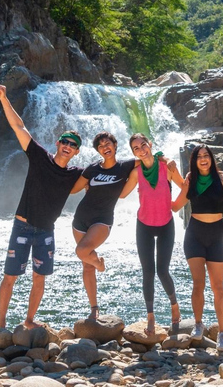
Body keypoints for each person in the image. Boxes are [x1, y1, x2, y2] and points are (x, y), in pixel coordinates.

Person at [0, 85, 88, 329]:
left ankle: (28, 321)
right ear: (58, 143)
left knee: (39, 278)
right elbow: (19, 127)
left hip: (46, 231)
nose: (68, 145)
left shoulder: (75, 174)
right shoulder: (39, 156)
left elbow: (100, 178)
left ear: (77, 152)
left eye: (73, 144)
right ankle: (1, 324)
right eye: (65, 141)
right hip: (23, 226)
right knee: (10, 277)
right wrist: (4, 98)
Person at [171, 144, 223, 351]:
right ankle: (198, 324)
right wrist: (168, 177)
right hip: (194, 236)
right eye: (199, 156)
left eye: (206, 155)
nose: (203, 159)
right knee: (198, 284)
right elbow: (175, 206)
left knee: (218, 287)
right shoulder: (190, 180)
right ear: (194, 160)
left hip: (216, 237)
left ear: (211, 158)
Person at [121, 133, 184, 335]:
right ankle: (151, 316)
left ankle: (174, 305)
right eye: (136, 148)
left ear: (150, 145)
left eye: (143, 145)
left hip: (166, 224)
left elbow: (185, 187)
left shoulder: (167, 167)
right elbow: (121, 193)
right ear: (133, 153)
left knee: (162, 271)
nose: (141, 150)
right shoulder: (136, 172)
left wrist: (176, 206)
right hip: (144, 225)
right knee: (147, 272)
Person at [72, 132, 137, 320]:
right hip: (80, 219)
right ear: (97, 150)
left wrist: (164, 161)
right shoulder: (92, 168)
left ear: (115, 145)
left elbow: (147, 159)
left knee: (82, 251)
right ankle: (94, 308)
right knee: (86, 264)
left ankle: (100, 265)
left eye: (107, 143)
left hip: (102, 219)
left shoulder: (125, 165)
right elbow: (74, 188)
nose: (104, 147)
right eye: (100, 146)